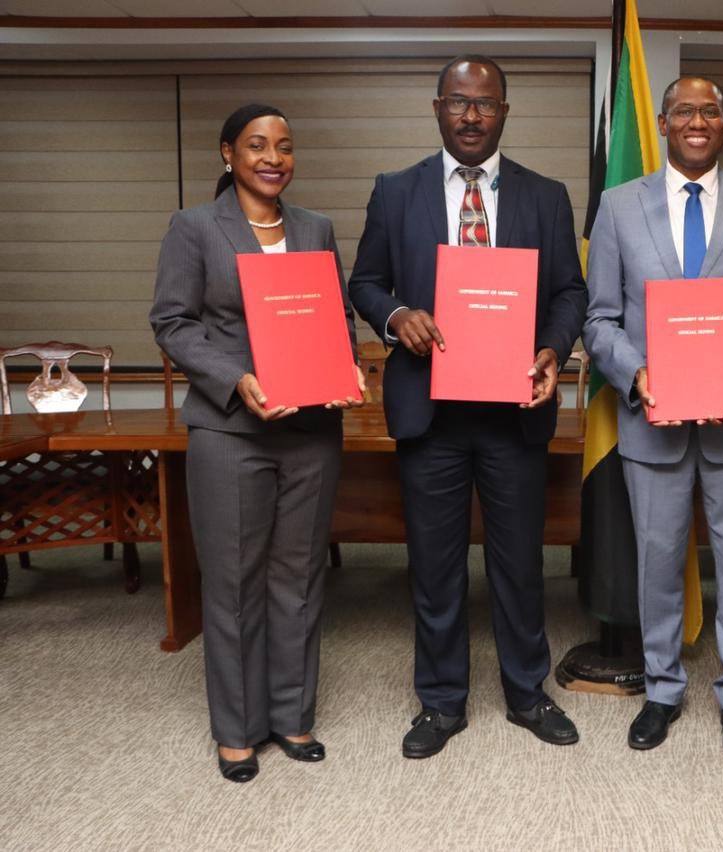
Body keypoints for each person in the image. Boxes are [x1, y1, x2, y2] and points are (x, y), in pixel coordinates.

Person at [347, 55, 587, 758]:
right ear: (437, 109)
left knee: (520, 562)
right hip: (430, 411)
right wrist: (395, 318)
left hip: (514, 409)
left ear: (505, 112)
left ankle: (526, 692)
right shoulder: (396, 191)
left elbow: (571, 291)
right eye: (459, 102)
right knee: (435, 562)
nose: (472, 115)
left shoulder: (546, 195)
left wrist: (553, 347)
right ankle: (442, 702)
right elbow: (365, 280)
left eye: (485, 104)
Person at [583, 76, 723, 761]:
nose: (697, 120)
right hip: (652, 421)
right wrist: (635, 373)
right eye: (685, 110)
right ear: (664, 121)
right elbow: (600, 318)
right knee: (656, 563)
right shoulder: (619, 207)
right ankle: (662, 688)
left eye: (710, 110)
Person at [150, 104, 364, 783]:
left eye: (285, 146)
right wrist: (234, 378)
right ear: (227, 154)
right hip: (231, 432)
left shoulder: (315, 228)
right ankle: (237, 729)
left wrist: (347, 363)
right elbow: (173, 322)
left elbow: (337, 314)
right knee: (235, 582)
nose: (273, 157)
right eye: (257, 146)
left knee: (298, 578)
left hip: (310, 434)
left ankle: (291, 715)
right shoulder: (193, 228)